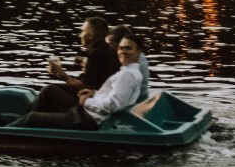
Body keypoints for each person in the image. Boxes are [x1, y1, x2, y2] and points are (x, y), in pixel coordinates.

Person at [11, 35, 145, 130]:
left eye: (128, 48)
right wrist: (95, 94)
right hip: (91, 115)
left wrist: (86, 101)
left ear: (138, 51)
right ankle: (19, 126)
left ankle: (4, 132)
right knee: (50, 91)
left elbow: (113, 105)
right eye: (121, 48)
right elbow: (116, 98)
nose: (122, 52)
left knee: (32, 118)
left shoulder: (127, 75)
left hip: (88, 120)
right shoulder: (131, 72)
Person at [106, 24, 150, 102]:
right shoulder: (137, 55)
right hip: (141, 95)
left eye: (111, 45)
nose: (109, 48)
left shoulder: (129, 59)